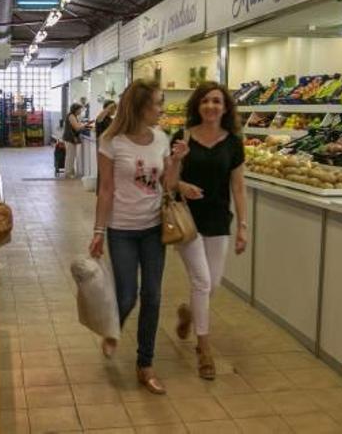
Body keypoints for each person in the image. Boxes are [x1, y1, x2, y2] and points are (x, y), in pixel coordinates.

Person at [89, 80, 189, 395]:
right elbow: (105, 189)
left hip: (152, 229)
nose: (162, 109)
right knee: (127, 295)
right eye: (158, 104)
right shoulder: (111, 141)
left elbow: (169, 185)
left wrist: (177, 159)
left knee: (154, 296)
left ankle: (145, 364)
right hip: (121, 230)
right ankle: (112, 329)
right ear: (140, 106)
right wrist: (98, 231)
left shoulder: (161, 138)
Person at [172, 81, 248, 380]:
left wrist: (243, 226)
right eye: (205, 101)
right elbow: (168, 179)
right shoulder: (183, 136)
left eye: (216, 101)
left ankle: (188, 313)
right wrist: (180, 184)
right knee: (202, 282)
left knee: (212, 285)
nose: (210, 106)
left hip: (219, 220)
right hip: (187, 221)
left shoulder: (233, 143)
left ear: (225, 107)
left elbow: (239, 188)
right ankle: (204, 348)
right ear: (197, 106)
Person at [61, 103, 86, 178]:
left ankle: (71, 171)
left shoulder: (73, 116)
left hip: (70, 138)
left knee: (71, 155)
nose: (80, 111)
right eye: (79, 109)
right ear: (76, 109)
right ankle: (68, 173)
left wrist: (81, 124)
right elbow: (77, 128)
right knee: (70, 156)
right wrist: (84, 125)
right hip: (69, 138)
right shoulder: (71, 116)